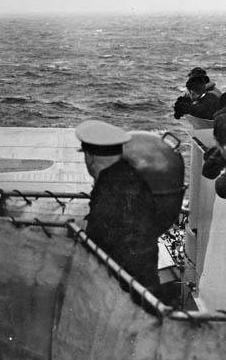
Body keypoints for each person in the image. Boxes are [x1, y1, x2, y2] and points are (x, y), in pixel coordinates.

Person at [76, 120, 186, 298]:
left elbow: (99, 240)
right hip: (142, 280)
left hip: (121, 287)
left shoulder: (109, 188)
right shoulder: (128, 176)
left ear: (89, 157)